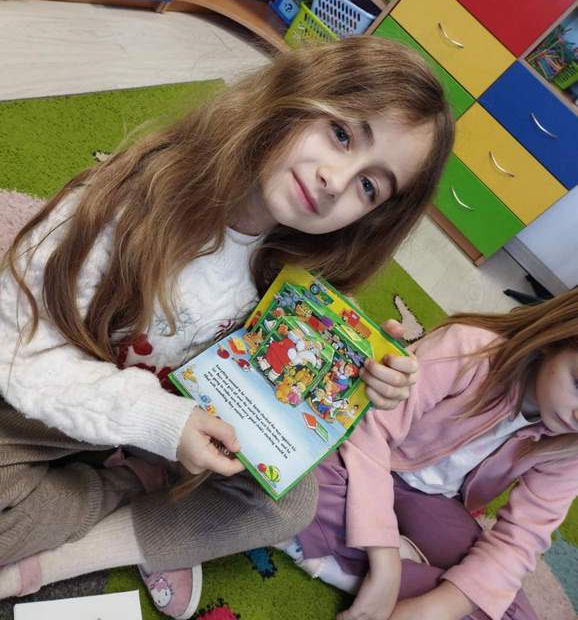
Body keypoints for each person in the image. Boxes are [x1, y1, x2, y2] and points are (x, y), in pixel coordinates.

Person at [0, 36, 453, 618]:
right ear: (294, 96)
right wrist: (162, 426)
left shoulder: (291, 274)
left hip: (149, 426)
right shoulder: (131, 200)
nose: (336, 181)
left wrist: (354, 381)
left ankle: (72, 545)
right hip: (37, 400)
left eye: (370, 186)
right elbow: (19, 348)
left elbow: (261, 396)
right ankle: (133, 486)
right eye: (342, 134)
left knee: (289, 503)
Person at [285, 291, 578, 620]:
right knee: (298, 478)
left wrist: (430, 610)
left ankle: (350, 562)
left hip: (435, 503)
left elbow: (519, 542)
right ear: (552, 339)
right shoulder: (468, 348)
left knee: (504, 602)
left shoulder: (571, 445)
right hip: (357, 466)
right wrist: (386, 560)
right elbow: (369, 433)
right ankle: (369, 570)